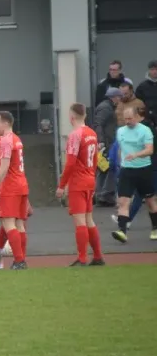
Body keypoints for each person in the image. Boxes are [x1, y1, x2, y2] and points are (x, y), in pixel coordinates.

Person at [55, 103, 105, 266]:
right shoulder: (91, 133)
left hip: (78, 181)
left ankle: (82, 258)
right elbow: (96, 158)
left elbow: (70, 163)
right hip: (90, 179)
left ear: (71, 117)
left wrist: (62, 185)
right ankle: (97, 256)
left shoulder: (75, 135)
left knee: (80, 221)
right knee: (89, 219)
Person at [111, 106, 157, 243]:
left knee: (150, 201)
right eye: (125, 119)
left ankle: (155, 228)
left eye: (130, 118)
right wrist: (120, 163)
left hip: (143, 169)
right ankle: (122, 231)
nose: (128, 121)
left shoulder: (145, 130)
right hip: (127, 170)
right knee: (123, 201)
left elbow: (150, 150)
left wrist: (136, 155)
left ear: (137, 117)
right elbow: (120, 149)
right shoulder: (120, 131)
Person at [0, 111, 29, 270]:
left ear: (6, 123)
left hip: (10, 186)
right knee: (19, 224)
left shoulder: (6, 140)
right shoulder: (16, 139)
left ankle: (19, 260)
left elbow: (5, 166)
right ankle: (21, 259)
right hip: (21, 184)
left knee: (8, 224)